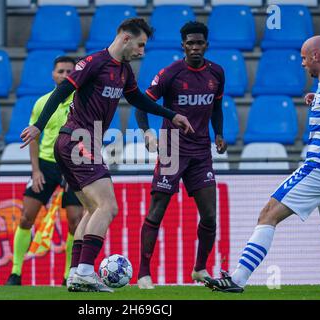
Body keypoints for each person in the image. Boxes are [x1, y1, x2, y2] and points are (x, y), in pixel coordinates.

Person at [20, 18, 194, 293]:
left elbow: (138, 99)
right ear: (125, 38)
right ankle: (87, 272)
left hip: (80, 143)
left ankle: (77, 273)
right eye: (140, 45)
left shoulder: (123, 71)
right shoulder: (94, 62)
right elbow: (61, 92)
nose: (142, 51)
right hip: (78, 139)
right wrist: (38, 126)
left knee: (92, 209)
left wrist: (172, 115)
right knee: (109, 207)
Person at [204, 35, 320, 293]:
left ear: (316, 56)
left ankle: (237, 279)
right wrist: (319, 100)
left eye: (305, 58)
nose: (303, 64)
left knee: (267, 214)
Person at [134, 21, 227, 289]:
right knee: (157, 211)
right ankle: (143, 274)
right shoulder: (170, 74)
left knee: (210, 215)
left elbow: (216, 108)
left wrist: (219, 134)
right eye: (190, 43)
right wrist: (147, 133)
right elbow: (142, 104)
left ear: (206, 45)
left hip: (200, 153)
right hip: (172, 151)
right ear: (183, 45)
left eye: (200, 43)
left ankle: (199, 269)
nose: (195, 47)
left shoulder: (217, 74)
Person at [5, 56, 84, 286]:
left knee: (75, 221)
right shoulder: (42, 102)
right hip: (46, 164)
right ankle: (16, 272)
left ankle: (69, 274)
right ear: (53, 74)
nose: (65, 75)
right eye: (61, 71)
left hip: (73, 165)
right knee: (26, 216)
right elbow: (33, 136)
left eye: (70, 71)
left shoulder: (81, 102)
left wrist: (75, 171)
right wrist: (36, 170)